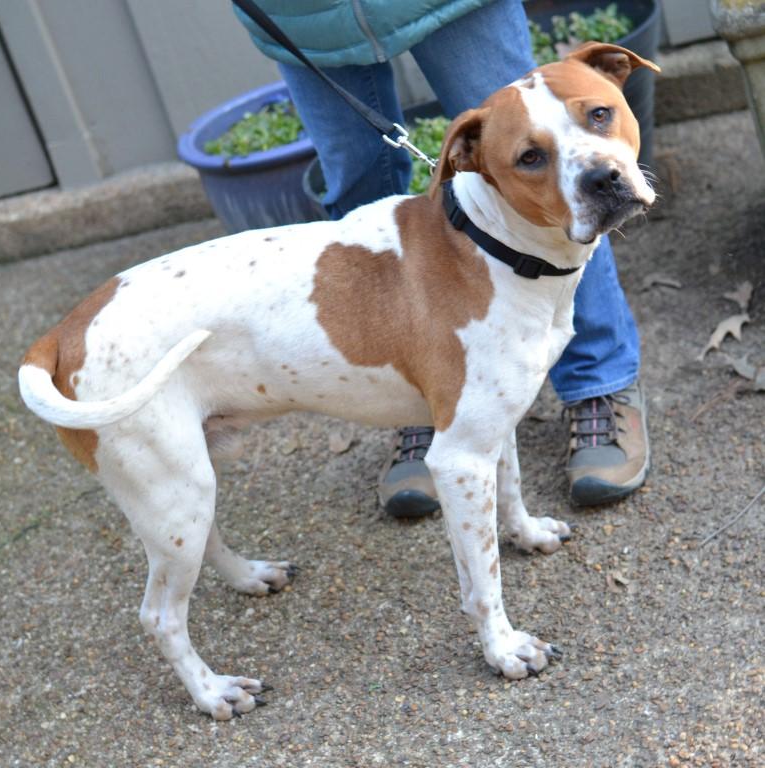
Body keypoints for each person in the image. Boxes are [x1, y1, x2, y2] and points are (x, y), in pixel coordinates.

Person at [234, 0, 650, 514]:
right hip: (306, 13)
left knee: (546, 153)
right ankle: (431, 394)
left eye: (601, 117)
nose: (598, 158)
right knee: (360, 180)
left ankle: (598, 382)